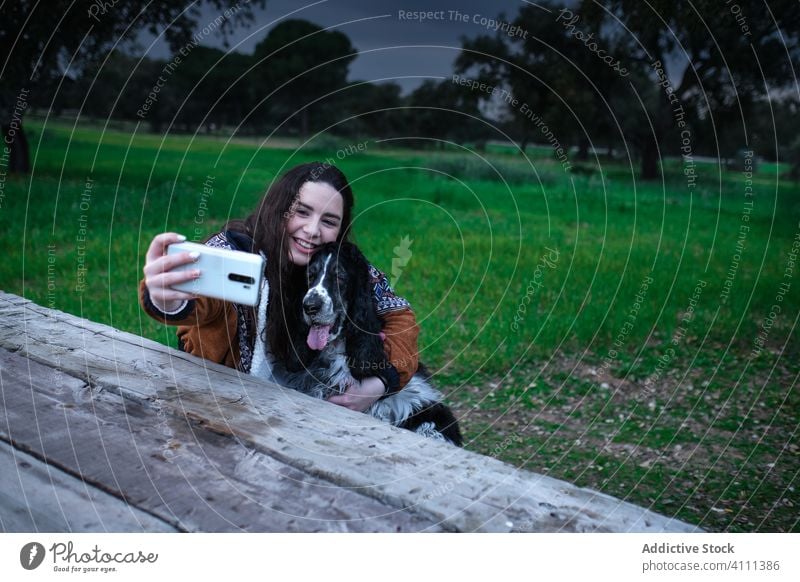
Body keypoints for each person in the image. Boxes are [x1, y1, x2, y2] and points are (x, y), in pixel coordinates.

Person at [139, 162, 419, 413]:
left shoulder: (336, 261)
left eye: (329, 221)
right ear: (279, 209)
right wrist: (167, 298)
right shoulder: (235, 253)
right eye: (302, 212)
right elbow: (199, 300)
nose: (312, 230)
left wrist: (380, 382)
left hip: (294, 408)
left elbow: (399, 315)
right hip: (219, 402)